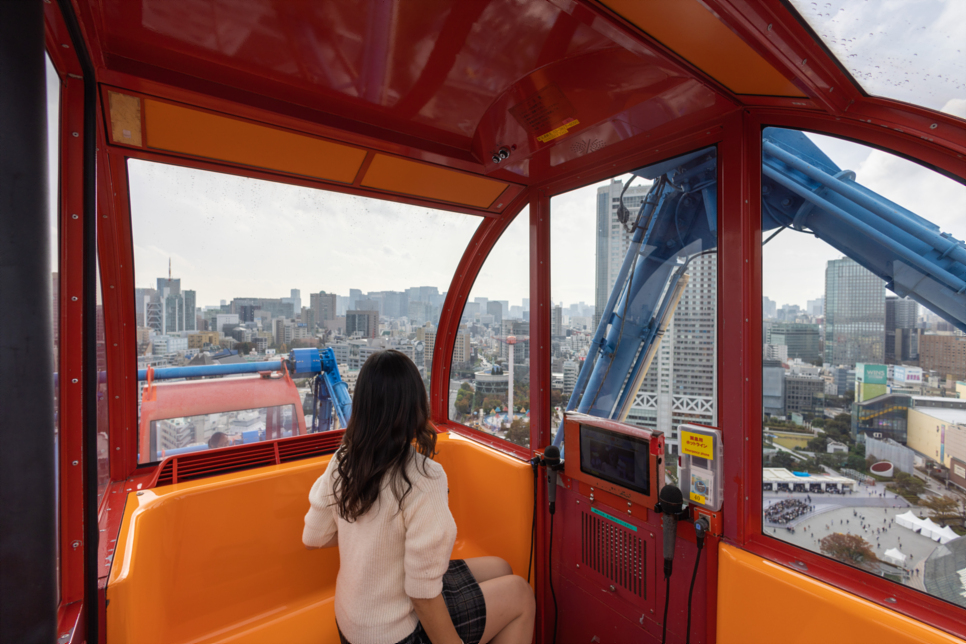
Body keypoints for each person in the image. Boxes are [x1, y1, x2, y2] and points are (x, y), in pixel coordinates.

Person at [303, 350, 535, 644]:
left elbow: (314, 536)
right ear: (414, 406)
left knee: (500, 568)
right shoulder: (423, 476)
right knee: (520, 594)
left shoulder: (343, 459)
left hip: (350, 628)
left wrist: (374, 538)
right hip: (396, 635)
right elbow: (422, 595)